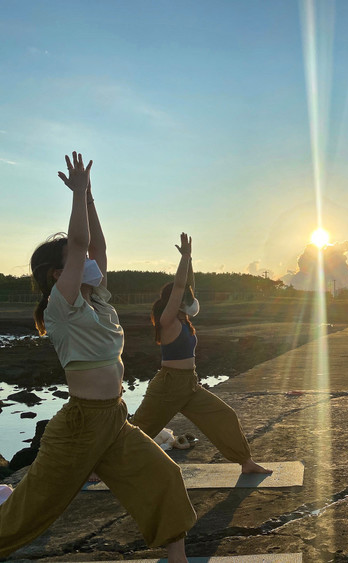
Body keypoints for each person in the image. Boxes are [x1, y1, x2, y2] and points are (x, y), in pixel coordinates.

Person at [0, 152, 196, 562]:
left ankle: (177, 558)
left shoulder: (100, 300)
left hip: (113, 418)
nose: (90, 262)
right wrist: (75, 195)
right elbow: (79, 244)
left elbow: (96, 245)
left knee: (164, 476)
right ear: (59, 274)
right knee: (28, 512)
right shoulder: (62, 307)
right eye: (79, 262)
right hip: (80, 424)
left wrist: (89, 195)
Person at [129, 234, 270, 475]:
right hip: (168, 386)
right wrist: (184, 258)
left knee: (225, 416)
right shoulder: (168, 320)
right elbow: (180, 286)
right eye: (187, 297)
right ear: (176, 301)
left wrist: (191, 260)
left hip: (189, 384)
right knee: (139, 430)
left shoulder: (184, 319)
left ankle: (246, 462)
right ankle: (101, 467)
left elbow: (187, 286)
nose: (192, 299)